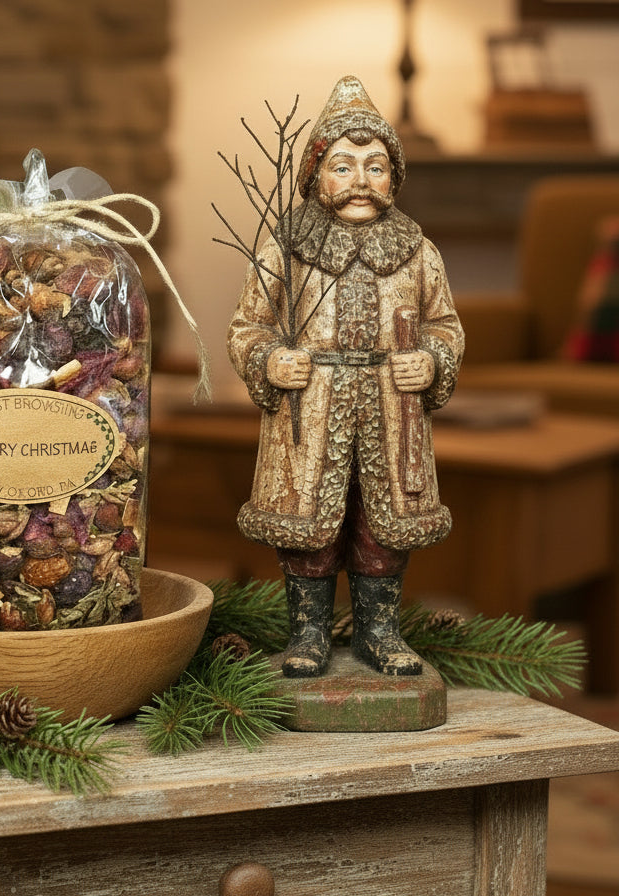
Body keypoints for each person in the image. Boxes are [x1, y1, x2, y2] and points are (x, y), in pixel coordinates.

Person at [227, 76, 464, 678]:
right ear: (315, 174)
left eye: (376, 166)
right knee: (310, 528)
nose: (361, 179)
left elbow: (446, 324)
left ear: (395, 176)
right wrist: (270, 360)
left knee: (381, 525)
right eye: (343, 165)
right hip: (312, 408)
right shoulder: (285, 246)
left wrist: (432, 359)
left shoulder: (418, 251)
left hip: (392, 411)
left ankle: (379, 630)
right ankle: (307, 632)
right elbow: (248, 325)